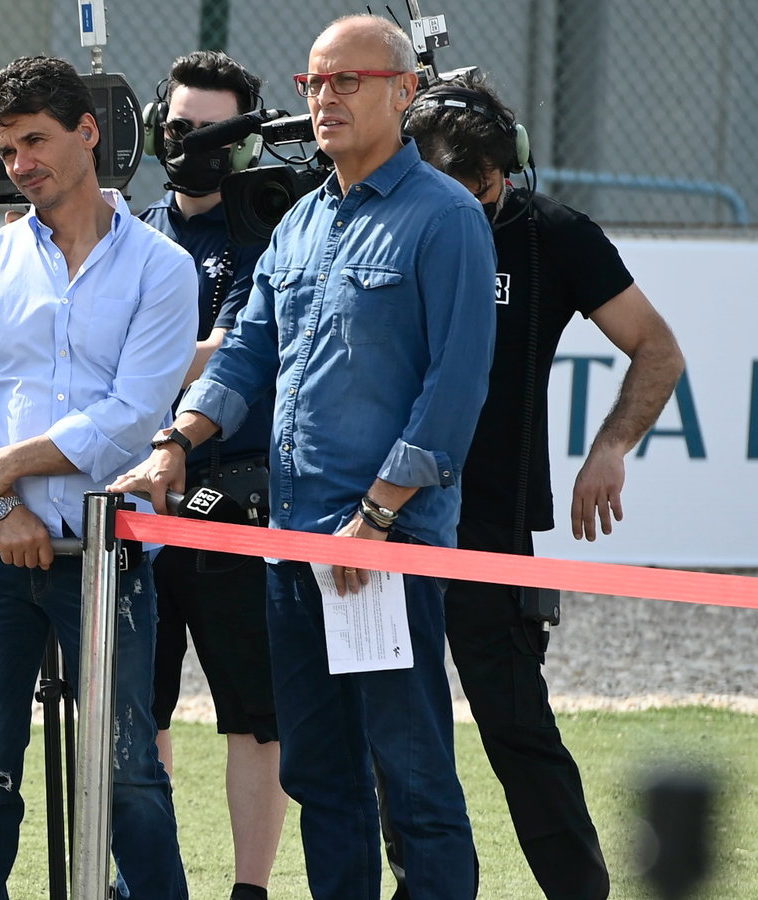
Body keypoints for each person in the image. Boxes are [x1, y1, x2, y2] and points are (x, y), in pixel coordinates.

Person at [111, 15, 496, 900]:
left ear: (403, 91)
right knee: (318, 773)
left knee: (413, 777)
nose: (324, 99)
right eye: (311, 83)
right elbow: (246, 352)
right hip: (291, 548)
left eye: (345, 80)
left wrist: (377, 515)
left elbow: (455, 387)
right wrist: (177, 442)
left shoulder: (445, 219)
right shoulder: (302, 223)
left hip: (382, 550)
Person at [381, 70, 685, 900]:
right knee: (395, 735)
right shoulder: (376, 222)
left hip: (491, 526)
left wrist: (611, 446)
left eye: (480, 191)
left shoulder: (554, 234)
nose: (469, 208)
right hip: (380, 522)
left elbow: (658, 350)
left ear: (508, 168)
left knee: (519, 732)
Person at [0, 54, 198, 900]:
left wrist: (7, 461)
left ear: (90, 132)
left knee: (131, 781)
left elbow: (133, 411)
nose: (21, 163)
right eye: (7, 149)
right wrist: (4, 503)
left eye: (35, 140)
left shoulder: (161, 266)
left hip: (108, 558)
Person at [137, 50, 287, 900]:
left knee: (253, 720)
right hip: (138, 497)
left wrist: (142, 371)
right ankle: (152, 882)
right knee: (140, 712)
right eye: (177, 127)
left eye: (209, 131)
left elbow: (235, 352)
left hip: (237, 495)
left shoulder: (271, 228)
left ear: (243, 141)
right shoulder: (130, 227)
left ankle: (249, 890)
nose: (187, 143)